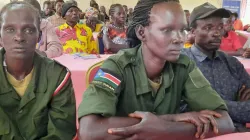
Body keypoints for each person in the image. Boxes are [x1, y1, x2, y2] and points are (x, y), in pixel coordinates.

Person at [78, 0, 235, 140]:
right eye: (167, 30)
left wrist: (165, 129)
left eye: (183, 29)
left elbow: (225, 122)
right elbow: (89, 130)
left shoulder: (184, 66)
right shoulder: (117, 66)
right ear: (141, 32)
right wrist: (171, 119)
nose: (180, 38)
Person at [0, 1, 76, 139]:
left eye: (28, 30)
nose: (19, 37)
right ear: (0, 36)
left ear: (39, 36)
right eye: (10, 29)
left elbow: (62, 133)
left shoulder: (57, 77)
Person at [182, 2, 250, 132]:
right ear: (193, 31)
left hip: (238, 134)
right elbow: (182, 109)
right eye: (208, 28)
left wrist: (207, 107)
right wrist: (239, 106)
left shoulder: (232, 64)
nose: (217, 33)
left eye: (220, 27)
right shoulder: (182, 62)